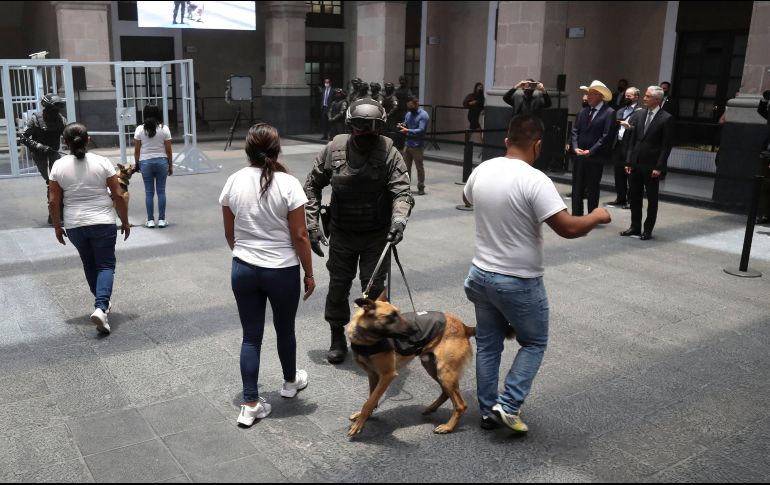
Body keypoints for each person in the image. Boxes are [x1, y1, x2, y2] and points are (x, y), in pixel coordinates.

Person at [462, 115, 610, 433]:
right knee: (534, 342)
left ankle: (488, 411)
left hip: (480, 275)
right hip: (517, 280)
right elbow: (569, 228)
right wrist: (597, 215)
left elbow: (467, 197)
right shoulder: (535, 180)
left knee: (488, 345)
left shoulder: (483, 169)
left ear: (506, 140)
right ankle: (509, 404)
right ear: (538, 145)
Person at [304, 98, 414, 364]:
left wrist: (398, 221)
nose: (365, 132)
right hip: (342, 232)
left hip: (377, 234)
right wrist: (311, 224)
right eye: (359, 126)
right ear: (350, 126)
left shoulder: (389, 151)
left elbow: (402, 191)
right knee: (338, 286)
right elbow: (311, 186)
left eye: (371, 127)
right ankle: (337, 336)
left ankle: (374, 338)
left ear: (380, 127)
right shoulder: (334, 149)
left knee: (374, 289)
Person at [219, 123, 315, 427]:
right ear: (276, 149)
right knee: (285, 329)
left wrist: (246, 253)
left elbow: (229, 233)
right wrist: (309, 273)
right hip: (282, 270)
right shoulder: (289, 184)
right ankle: (289, 384)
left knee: (251, 337)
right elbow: (300, 235)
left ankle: (250, 403)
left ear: (247, 150)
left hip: (244, 268)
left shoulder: (233, 181)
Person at [48, 123, 130, 335]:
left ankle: (101, 304)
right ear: (89, 139)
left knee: (89, 263)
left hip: (75, 224)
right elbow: (118, 195)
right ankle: (101, 307)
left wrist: (57, 226)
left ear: (64, 143)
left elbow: (53, 201)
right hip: (102, 220)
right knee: (105, 266)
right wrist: (125, 221)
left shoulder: (57, 166)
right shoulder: (103, 162)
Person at [620, 86, 674, 240]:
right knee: (634, 196)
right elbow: (632, 140)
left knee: (651, 199)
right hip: (636, 163)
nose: (644, 98)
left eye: (648, 96)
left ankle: (648, 229)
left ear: (657, 100)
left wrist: (659, 167)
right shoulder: (639, 114)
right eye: (645, 95)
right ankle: (635, 227)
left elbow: (666, 146)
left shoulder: (666, 118)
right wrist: (629, 161)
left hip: (652, 166)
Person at [19, 93, 67, 225]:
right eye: (54, 108)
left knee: (59, 182)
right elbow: (23, 137)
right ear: (46, 107)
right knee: (51, 183)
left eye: (58, 108)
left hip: (54, 153)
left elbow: (67, 133)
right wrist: (39, 146)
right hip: (40, 155)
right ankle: (54, 216)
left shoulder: (60, 119)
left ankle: (59, 214)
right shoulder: (35, 119)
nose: (56, 111)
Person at [571, 80, 616, 216]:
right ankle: (576, 213)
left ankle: (592, 215)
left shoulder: (609, 112)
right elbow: (575, 131)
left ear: (601, 96)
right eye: (588, 94)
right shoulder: (584, 111)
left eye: (592, 94)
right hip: (580, 156)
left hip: (595, 157)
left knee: (593, 186)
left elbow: (606, 136)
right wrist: (575, 147)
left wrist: (591, 151)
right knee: (577, 186)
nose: (588, 97)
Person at [134, 104, 173, 228]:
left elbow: (137, 150)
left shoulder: (139, 129)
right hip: (162, 162)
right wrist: (170, 165)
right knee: (161, 192)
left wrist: (137, 164)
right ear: (158, 113)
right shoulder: (164, 129)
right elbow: (169, 150)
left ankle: (150, 220)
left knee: (149, 193)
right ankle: (162, 220)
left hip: (145, 162)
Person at [607, 87, 641, 208]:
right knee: (618, 173)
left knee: (630, 175)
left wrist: (630, 127)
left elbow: (641, 130)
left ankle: (632, 201)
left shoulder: (640, 112)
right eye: (626, 95)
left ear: (636, 97)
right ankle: (620, 198)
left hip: (630, 146)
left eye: (630, 96)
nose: (626, 98)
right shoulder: (620, 110)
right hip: (618, 145)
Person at [400, 96, 430, 195]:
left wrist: (407, 130)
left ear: (417, 104)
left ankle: (421, 186)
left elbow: (421, 130)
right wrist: (402, 125)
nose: (410, 108)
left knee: (419, 167)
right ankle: (406, 186)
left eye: (411, 106)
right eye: (408, 106)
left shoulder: (423, 115)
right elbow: (406, 123)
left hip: (417, 145)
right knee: (405, 167)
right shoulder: (408, 114)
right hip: (407, 144)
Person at [757, 90, 770, 225]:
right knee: (765, 184)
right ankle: (764, 215)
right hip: (767, 154)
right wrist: (765, 99)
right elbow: (762, 111)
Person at [393, 76, 413, 150]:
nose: (402, 81)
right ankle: (398, 144)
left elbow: (410, 100)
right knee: (398, 128)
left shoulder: (408, 90)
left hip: (405, 111)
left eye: (403, 80)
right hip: (398, 112)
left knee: (404, 128)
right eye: (401, 80)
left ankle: (403, 144)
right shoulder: (397, 90)